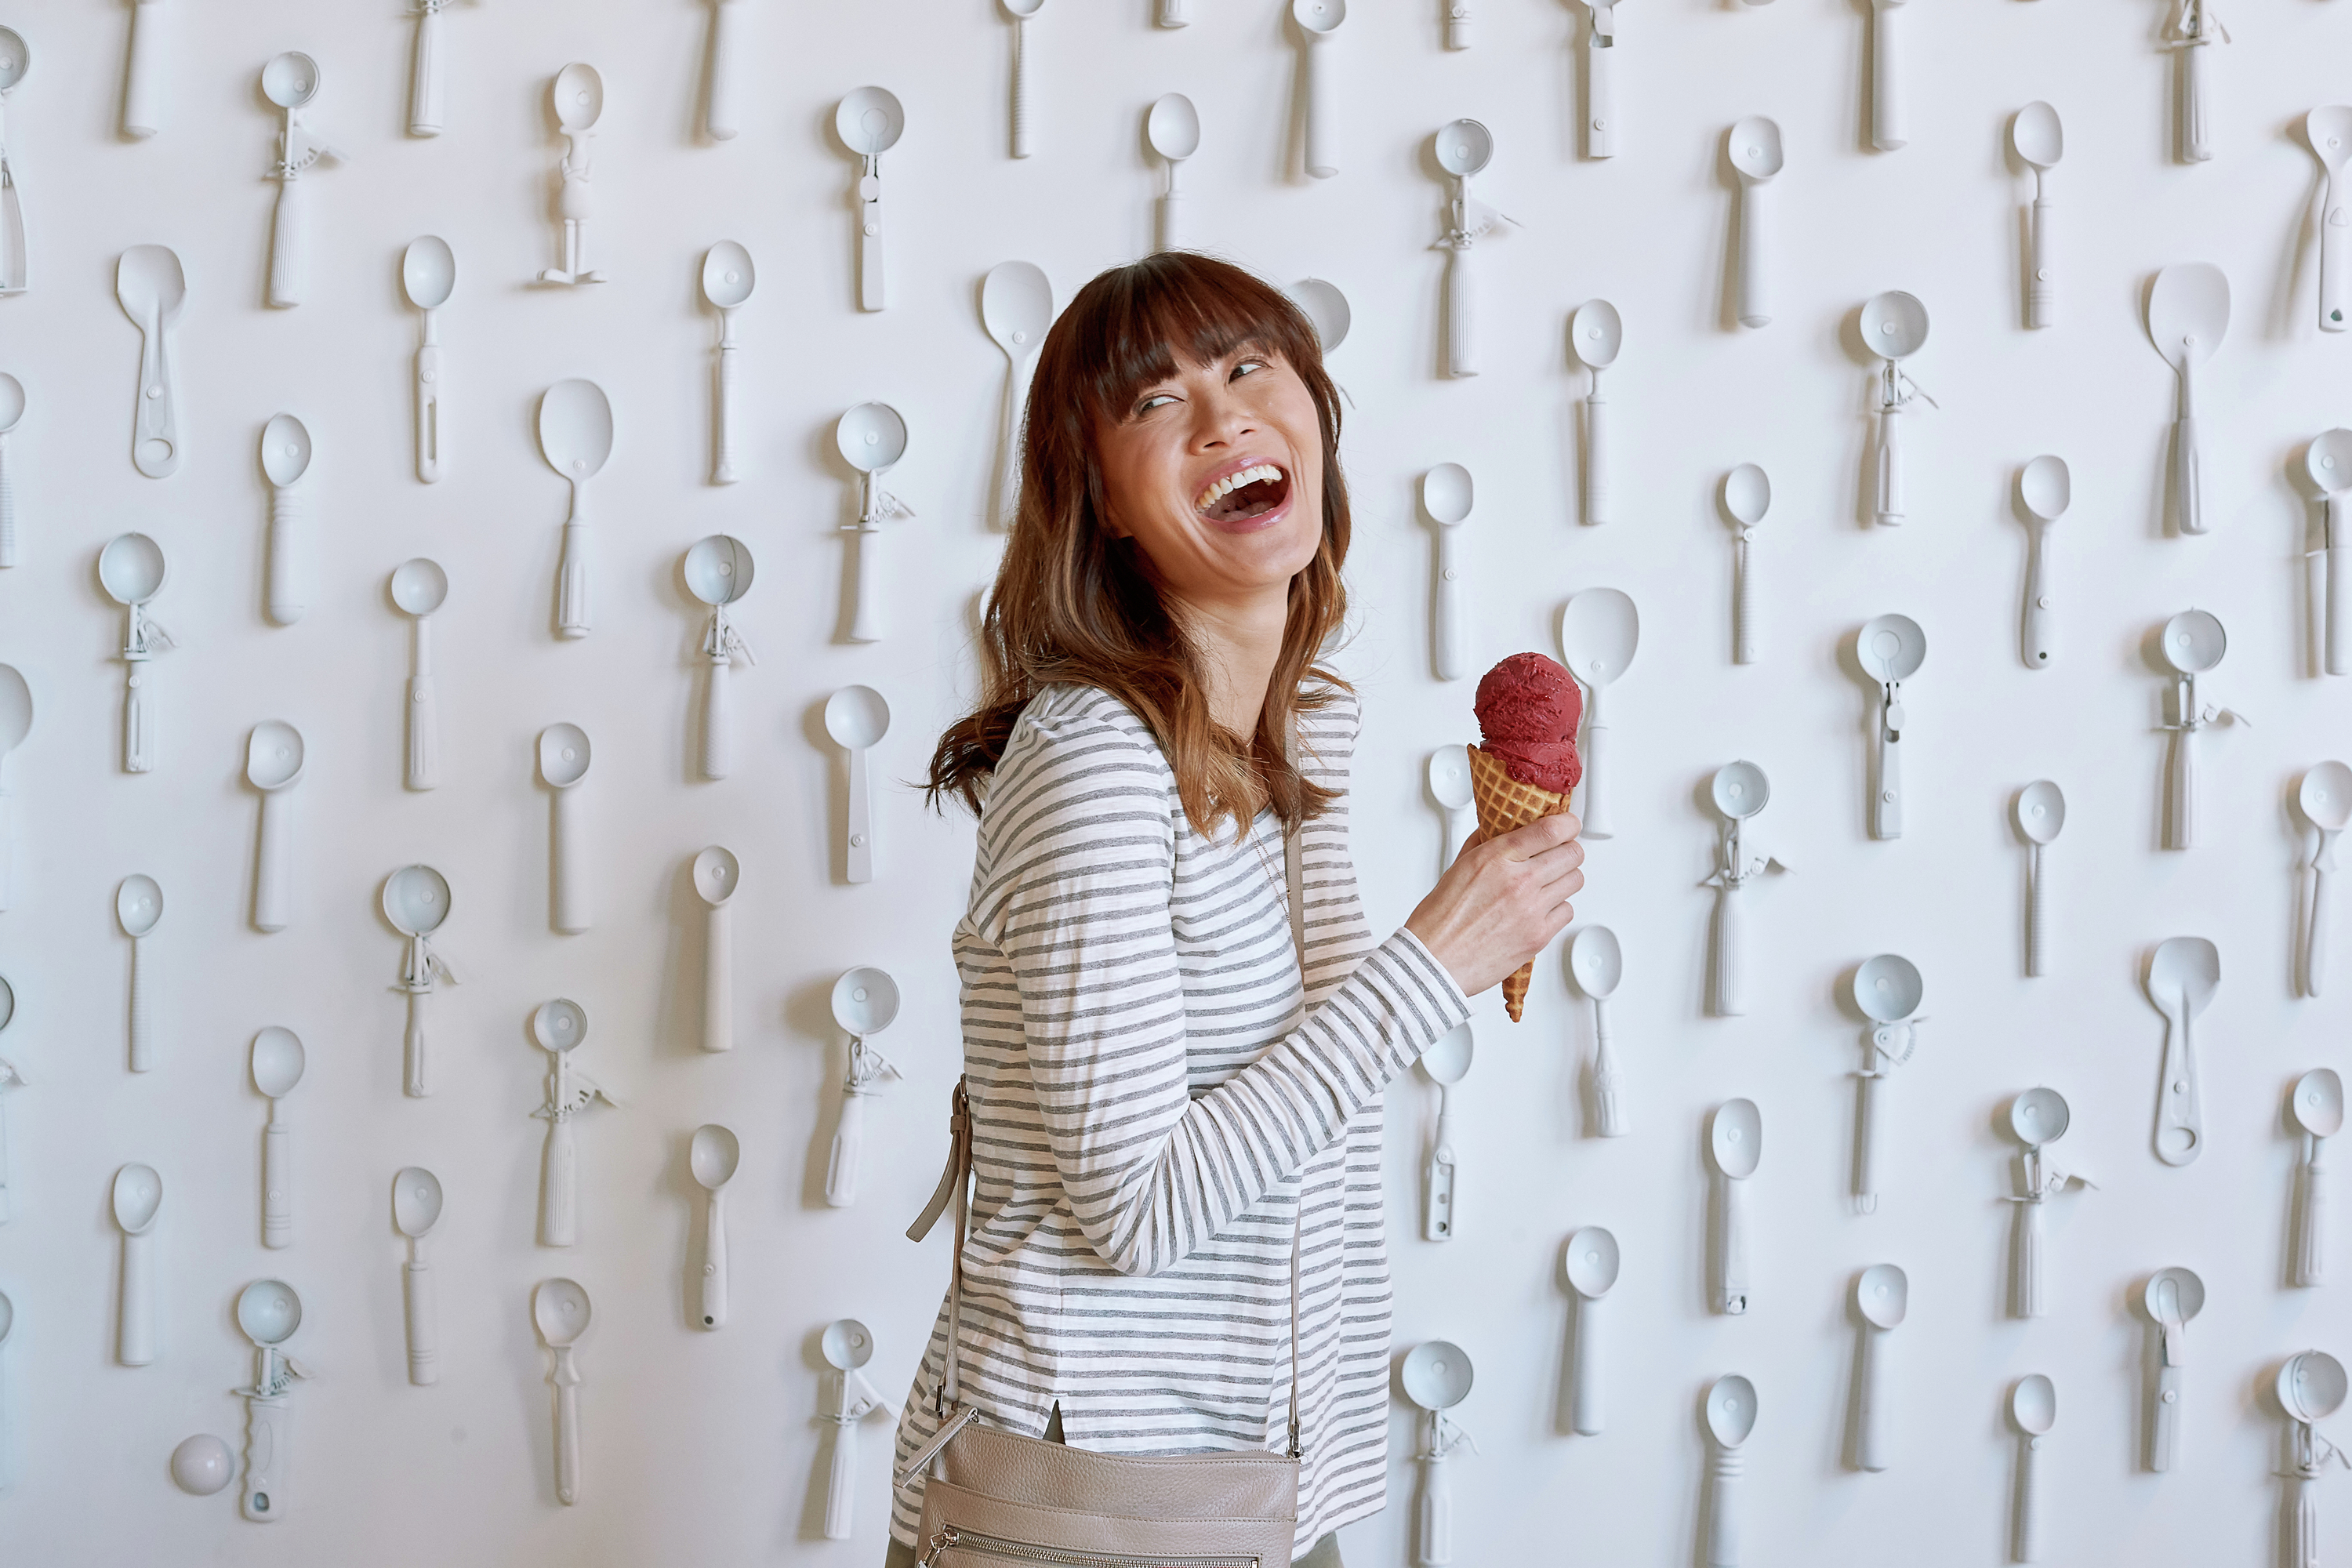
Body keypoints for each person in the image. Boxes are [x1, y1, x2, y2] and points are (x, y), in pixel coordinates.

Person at [891, 252, 1584, 1568]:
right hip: (1090, 1508)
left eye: (1248, 367)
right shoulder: (1095, 753)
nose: (1221, 418)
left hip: (1260, 1494)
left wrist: (1461, 939)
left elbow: (1298, 1120)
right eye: (1155, 402)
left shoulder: (1287, 740)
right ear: (1097, 498)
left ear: (1316, 415)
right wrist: (1439, 956)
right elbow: (1138, 1208)